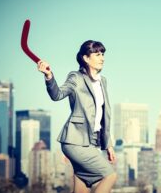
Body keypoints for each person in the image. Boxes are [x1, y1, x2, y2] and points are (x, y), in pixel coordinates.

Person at [37, 40, 117, 193]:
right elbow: (57, 94)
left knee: (82, 188)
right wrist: (49, 76)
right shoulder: (76, 77)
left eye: (103, 54)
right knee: (110, 175)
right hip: (75, 141)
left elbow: (103, 115)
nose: (102, 58)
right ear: (86, 58)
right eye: (97, 54)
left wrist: (109, 145)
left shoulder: (103, 81)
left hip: (92, 141)